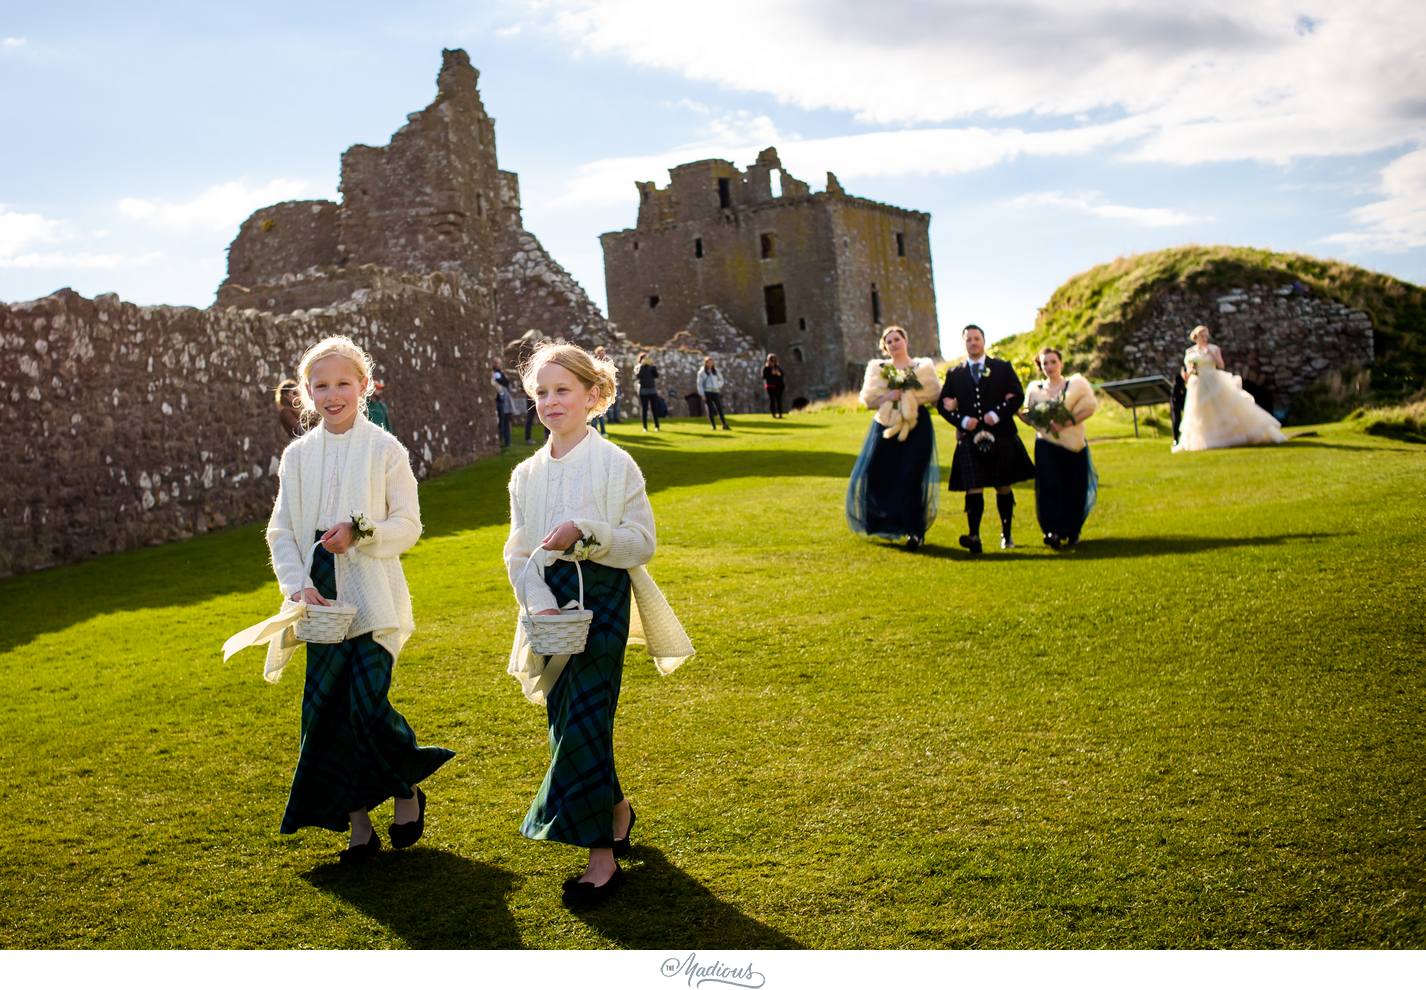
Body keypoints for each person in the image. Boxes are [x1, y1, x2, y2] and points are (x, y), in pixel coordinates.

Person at [503, 342, 692, 909]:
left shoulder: (616, 464)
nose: (551, 401)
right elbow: (517, 552)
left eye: (563, 390)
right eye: (541, 392)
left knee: (587, 718)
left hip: (604, 597)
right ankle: (616, 810)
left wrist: (586, 531)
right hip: (547, 608)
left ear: (594, 396)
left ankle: (600, 857)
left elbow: (641, 541)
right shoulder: (525, 474)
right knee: (565, 722)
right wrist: (538, 600)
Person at [264, 335, 453, 863]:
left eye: (343, 382)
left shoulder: (385, 449)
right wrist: (296, 585)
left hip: (374, 597)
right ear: (305, 393)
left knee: (365, 705)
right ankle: (358, 828)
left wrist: (360, 531)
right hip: (319, 599)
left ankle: (406, 786)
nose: (332, 394)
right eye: (320, 385)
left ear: (364, 386)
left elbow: (408, 526)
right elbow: (281, 531)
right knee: (326, 714)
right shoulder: (297, 455)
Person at [937, 324, 1035, 553]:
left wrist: (997, 414)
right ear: (964, 343)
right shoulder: (955, 374)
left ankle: (1007, 535)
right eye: (968, 339)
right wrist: (961, 421)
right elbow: (942, 405)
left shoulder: (1001, 367)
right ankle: (974, 537)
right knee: (974, 487)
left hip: (1002, 435)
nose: (973, 342)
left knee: (1003, 485)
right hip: (970, 437)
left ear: (984, 341)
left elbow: (1017, 396)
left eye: (976, 338)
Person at [846, 326, 940, 550]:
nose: (894, 344)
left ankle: (914, 531)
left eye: (897, 339)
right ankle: (887, 522)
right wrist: (889, 395)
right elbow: (869, 399)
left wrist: (908, 395)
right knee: (880, 473)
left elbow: (932, 393)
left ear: (905, 340)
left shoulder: (922, 367)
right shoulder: (878, 369)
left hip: (916, 425)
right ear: (885, 347)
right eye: (889, 341)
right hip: (885, 426)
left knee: (912, 475)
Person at [1018, 347, 1099, 549]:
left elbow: (1089, 407)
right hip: (1046, 445)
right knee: (1049, 487)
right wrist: (1019, 413)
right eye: (1045, 363)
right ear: (1040, 366)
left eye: (1053, 362)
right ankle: (1052, 531)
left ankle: (1072, 530)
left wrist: (1065, 424)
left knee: (1074, 487)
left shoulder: (1076, 385)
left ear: (1060, 363)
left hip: (1073, 445)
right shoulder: (1035, 389)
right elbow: (1029, 414)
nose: (1049, 366)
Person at [1173, 324, 1286, 452]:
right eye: (1202, 336)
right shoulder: (1190, 351)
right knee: (1200, 412)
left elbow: (1221, 365)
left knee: (1222, 408)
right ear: (1196, 337)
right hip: (1197, 385)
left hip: (1213, 381)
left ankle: (1230, 436)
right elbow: (1189, 370)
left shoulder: (1214, 348)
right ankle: (1205, 439)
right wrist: (1187, 375)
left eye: (1206, 336)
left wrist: (1211, 354)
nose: (1205, 338)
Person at [695, 356, 731, 430]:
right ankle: (713, 426)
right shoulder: (701, 372)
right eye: (709, 362)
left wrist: (718, 386)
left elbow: (721, 380)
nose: (711, 364)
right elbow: (699, 384)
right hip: (707, 392)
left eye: (712, 362)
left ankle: (724, 424)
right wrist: (702, 394)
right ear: (706, 363)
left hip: (715, 392)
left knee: (719, 408)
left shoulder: (715, 370)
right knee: (710, 409)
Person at [636, 351, 661, 431]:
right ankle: (645, 427)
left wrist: (653, 367)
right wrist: (642, 366)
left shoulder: (651, 367)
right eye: (644, 358)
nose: (646, 360)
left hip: (652, 390)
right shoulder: (638, 367)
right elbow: (638, 376)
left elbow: (656, 375)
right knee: (645, 409)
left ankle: (657, 426)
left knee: (654, 408)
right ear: (640, 359)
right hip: (643, 390)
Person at [494, 358, 515, 450]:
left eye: (498, 363)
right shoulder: (496, 373)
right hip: (501, 400)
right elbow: (504, 382)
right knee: (502, 422)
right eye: (496, 363)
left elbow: (505, 382)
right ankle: (504, 441)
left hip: (505, 400)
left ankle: (507, 442)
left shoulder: (499, 373)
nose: (498, 364)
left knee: (505, 421)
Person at [763, 354, 786, 418]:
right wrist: (771, 373)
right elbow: (764, 377)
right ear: (768, 361)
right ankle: (774, 414)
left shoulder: (777, 367)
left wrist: (778, 374)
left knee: (779, 400)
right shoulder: (766, 368)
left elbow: (782, 374)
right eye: (771, 360)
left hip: (779, 386)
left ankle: (780, 414)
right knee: (772, 400)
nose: (773, 362)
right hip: (770, 386)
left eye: (774, 360)